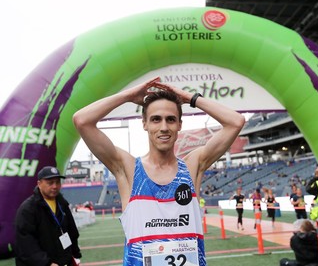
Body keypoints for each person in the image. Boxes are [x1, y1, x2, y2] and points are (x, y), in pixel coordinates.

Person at [73, 77, 245, 266]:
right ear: (144, 124)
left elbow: (236, 122)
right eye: (156, 119)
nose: (164, 127)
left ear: (180, 124)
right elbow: (82, 121)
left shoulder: (192, 166)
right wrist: (128, 96)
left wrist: (189, 98)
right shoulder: (128, 169)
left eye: (170, 119)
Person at [15, 166, 82, 266]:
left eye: (58, 182)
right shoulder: (28, 208)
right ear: (39, 184)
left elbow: (72, 231)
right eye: (50, 183)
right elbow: (26, 243)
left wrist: (75, 254)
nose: (55, 186)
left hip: (62, 261)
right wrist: (46, 263)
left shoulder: (62, 203)